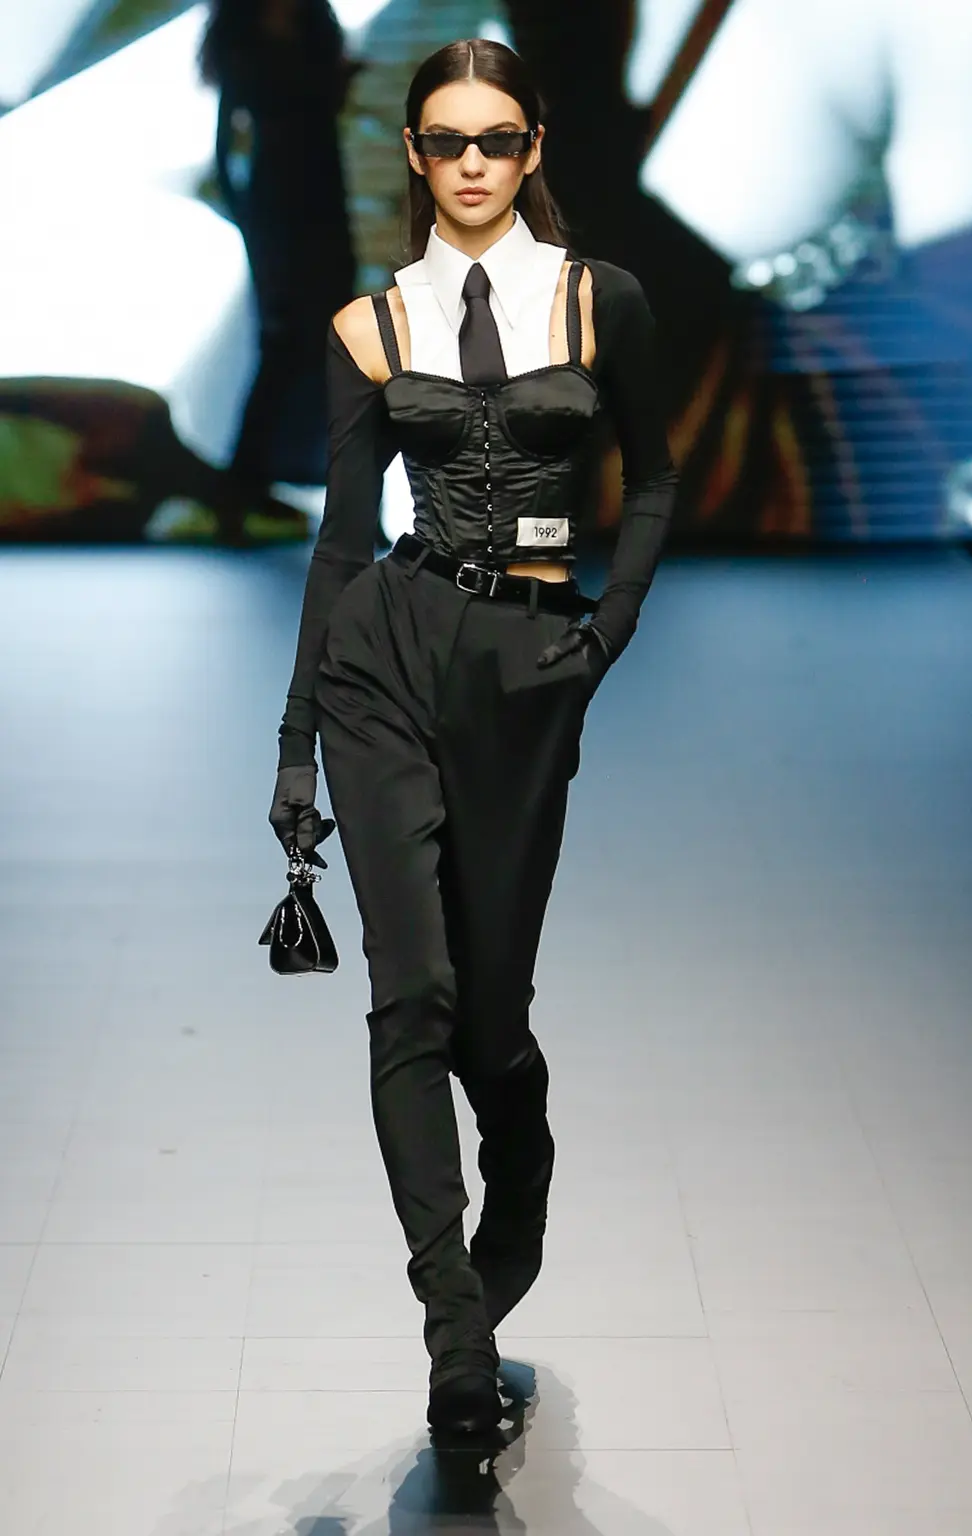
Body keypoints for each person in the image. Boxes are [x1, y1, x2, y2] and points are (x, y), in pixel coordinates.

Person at [268, 37, 677, 1437]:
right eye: (446, 140)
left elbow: (654, 478)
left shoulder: (600, 300)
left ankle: (522, 1173)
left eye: (496, 138)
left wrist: (605, 635)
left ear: (533, 147)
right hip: (385, 654)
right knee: (415, 997)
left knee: (492, 1019)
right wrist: (294, 744)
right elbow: (338, 546)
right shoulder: (370, 327)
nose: (472, 163)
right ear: (416, 154)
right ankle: (454, 1332)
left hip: (527, 670)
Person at [199, 0, 359, 530]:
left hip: (316, 202)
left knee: (321, 346)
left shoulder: (309, 36)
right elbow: (227, 141)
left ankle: (256, 481)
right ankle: (246, 482)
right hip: (280, 207)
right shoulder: (251, 45)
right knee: (287, 343)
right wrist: (247, 218)